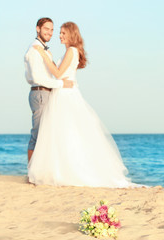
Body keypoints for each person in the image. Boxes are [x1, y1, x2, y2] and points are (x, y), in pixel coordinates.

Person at [27, 22, 135, 188]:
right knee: (62, 133)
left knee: (67, 132)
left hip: (65, 95)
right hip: (62, 92)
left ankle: (68, 170)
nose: (60, 36)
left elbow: (57, 73)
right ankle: (58, 169)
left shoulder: (71, 51)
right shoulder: (70, 51)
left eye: (63, 33)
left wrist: (42, 54)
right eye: (60, 33)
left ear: (71, 34)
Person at [24, 18, 74, 162]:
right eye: (46, 29)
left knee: (45, 134)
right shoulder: (35, 50)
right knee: (38, 134)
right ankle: (31, 173)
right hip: (40, 93)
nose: (50, 33)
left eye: (52, 30)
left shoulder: (42, 49)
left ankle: (39, 171)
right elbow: (37, 78)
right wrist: (61, 84)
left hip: (44, 92)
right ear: (37, 29)